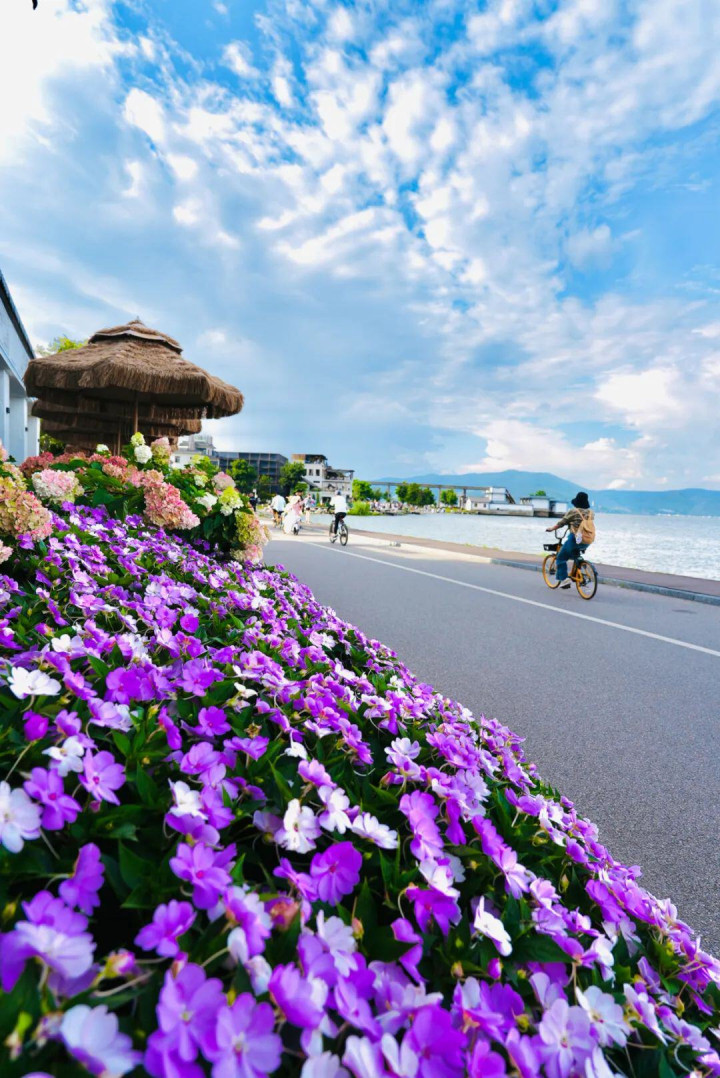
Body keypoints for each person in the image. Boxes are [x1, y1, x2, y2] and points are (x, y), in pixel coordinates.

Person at [546, 492, 595, 589]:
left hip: (575, 539)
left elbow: (561, 523)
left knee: (560, 558)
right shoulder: (591, 513)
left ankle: (564, 580)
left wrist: (551, 529)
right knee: (575, 554)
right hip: (587, 540)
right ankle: (579, 569)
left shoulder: (573, 511)